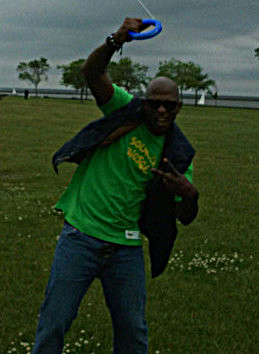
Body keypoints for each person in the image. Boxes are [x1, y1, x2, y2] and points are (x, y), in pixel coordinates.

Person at [32, 18, 199, 354]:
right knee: (54, 322)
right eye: (154, 103)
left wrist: (190, 193)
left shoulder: (178, 155)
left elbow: (186, 215)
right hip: (81, 235)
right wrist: (115, 41)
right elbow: (92, 74)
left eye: (169, 104)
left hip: (126, 248)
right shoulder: (125, 109)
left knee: (133, 332)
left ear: (179, 107)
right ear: (144, 101)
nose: (161, 109)